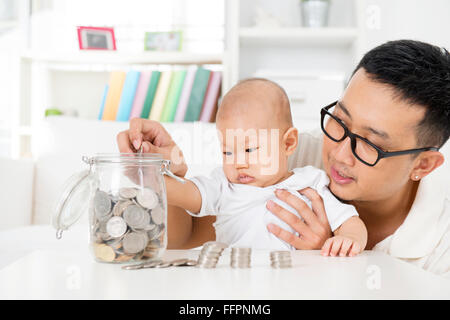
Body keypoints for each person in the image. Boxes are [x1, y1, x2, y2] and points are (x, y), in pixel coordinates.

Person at [117, 40, 450, 276]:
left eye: (369, 144)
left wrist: (323, 256)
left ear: (423, 165)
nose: (338, 153)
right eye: (340, 121)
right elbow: (185, 237)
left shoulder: (441, 251)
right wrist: (167, 170)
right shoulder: (285, 155)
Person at [163, 78, 367, 254]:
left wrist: (349, 239)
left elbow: (349, 221)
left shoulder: (310, 183)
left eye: (250, 150)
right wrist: (156, 176)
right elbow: (188, 193)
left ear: (288, 143)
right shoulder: (224, 184)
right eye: (227, 152)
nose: (238, 162)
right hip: (234, 281)